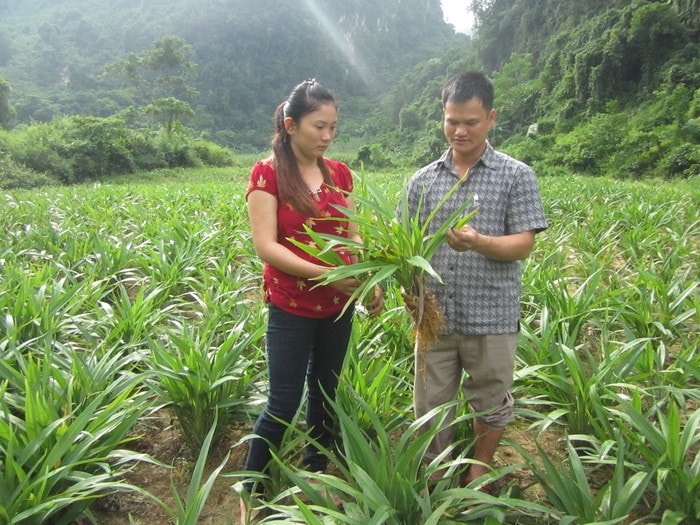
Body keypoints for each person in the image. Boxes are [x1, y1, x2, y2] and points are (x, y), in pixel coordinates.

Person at [241, 79, 383, 520]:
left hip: (337, 305)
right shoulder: (267, 174)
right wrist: (331, 274)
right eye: (318, 126)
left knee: (326, 391)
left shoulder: (339, 173)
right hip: (290, 304)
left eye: (333, 127)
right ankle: (250, 493)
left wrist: (366, 277)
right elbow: (268, 247)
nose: (327, 136)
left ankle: (317, 473)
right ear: (290, 125)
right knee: (283, 402)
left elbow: (352, 231)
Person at [404, 71, 548, 493]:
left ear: (490, 118)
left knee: (490, 400)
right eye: (452, 121)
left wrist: (479, 242)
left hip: (492, 313)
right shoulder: (422, 180)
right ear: (442, 118)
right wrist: (409, 293)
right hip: (436, 317)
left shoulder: (516, 175)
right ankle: (436, 473)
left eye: (470, 121)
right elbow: (404, 247)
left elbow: (523, 244)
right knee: (430, 405)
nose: (459, 130)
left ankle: (479, 469)